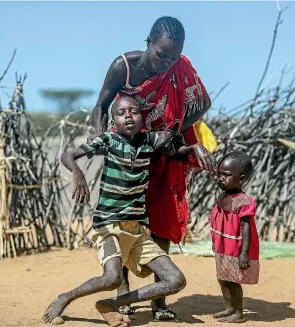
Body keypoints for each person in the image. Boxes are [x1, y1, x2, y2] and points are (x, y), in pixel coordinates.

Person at [89, 16, 216, 320]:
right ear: (149, 43)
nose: (167, 63)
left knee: (161, 220)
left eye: (174, 57)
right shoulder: (125, 67)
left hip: (165, 152)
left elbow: (202, 103)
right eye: (162, 55)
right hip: (130, 154)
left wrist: (174, 130)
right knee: (124, 221)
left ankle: (159, 300)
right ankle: (122, 292)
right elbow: (101, 105)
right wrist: (103, 138)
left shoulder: (179, 68)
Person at [43, 96, 200, 327]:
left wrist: (195, 147)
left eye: (134, 111)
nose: (128, 115)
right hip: (109, 225)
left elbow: (175, 148)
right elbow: (68, 155)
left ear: (142, 117)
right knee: (112, 277)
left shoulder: (149, 141)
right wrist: (77, 173)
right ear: (113, 120)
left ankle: (112, 304)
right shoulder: (109, 140)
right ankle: (64, 298)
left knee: (176, 280)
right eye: (121, 112)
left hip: (136, 229)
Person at [210, 151, 260, 323]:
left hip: (235, 249)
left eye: (226, 175)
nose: (221, 178)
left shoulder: (244, 202)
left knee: (233, 280)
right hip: (223, 247)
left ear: (242, 178)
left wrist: (244, 253)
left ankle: (239, 313)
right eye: (219, 174)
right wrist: (215, 243)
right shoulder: (224, 196)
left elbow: (246, 228)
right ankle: (229, 308)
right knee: (222, 278)